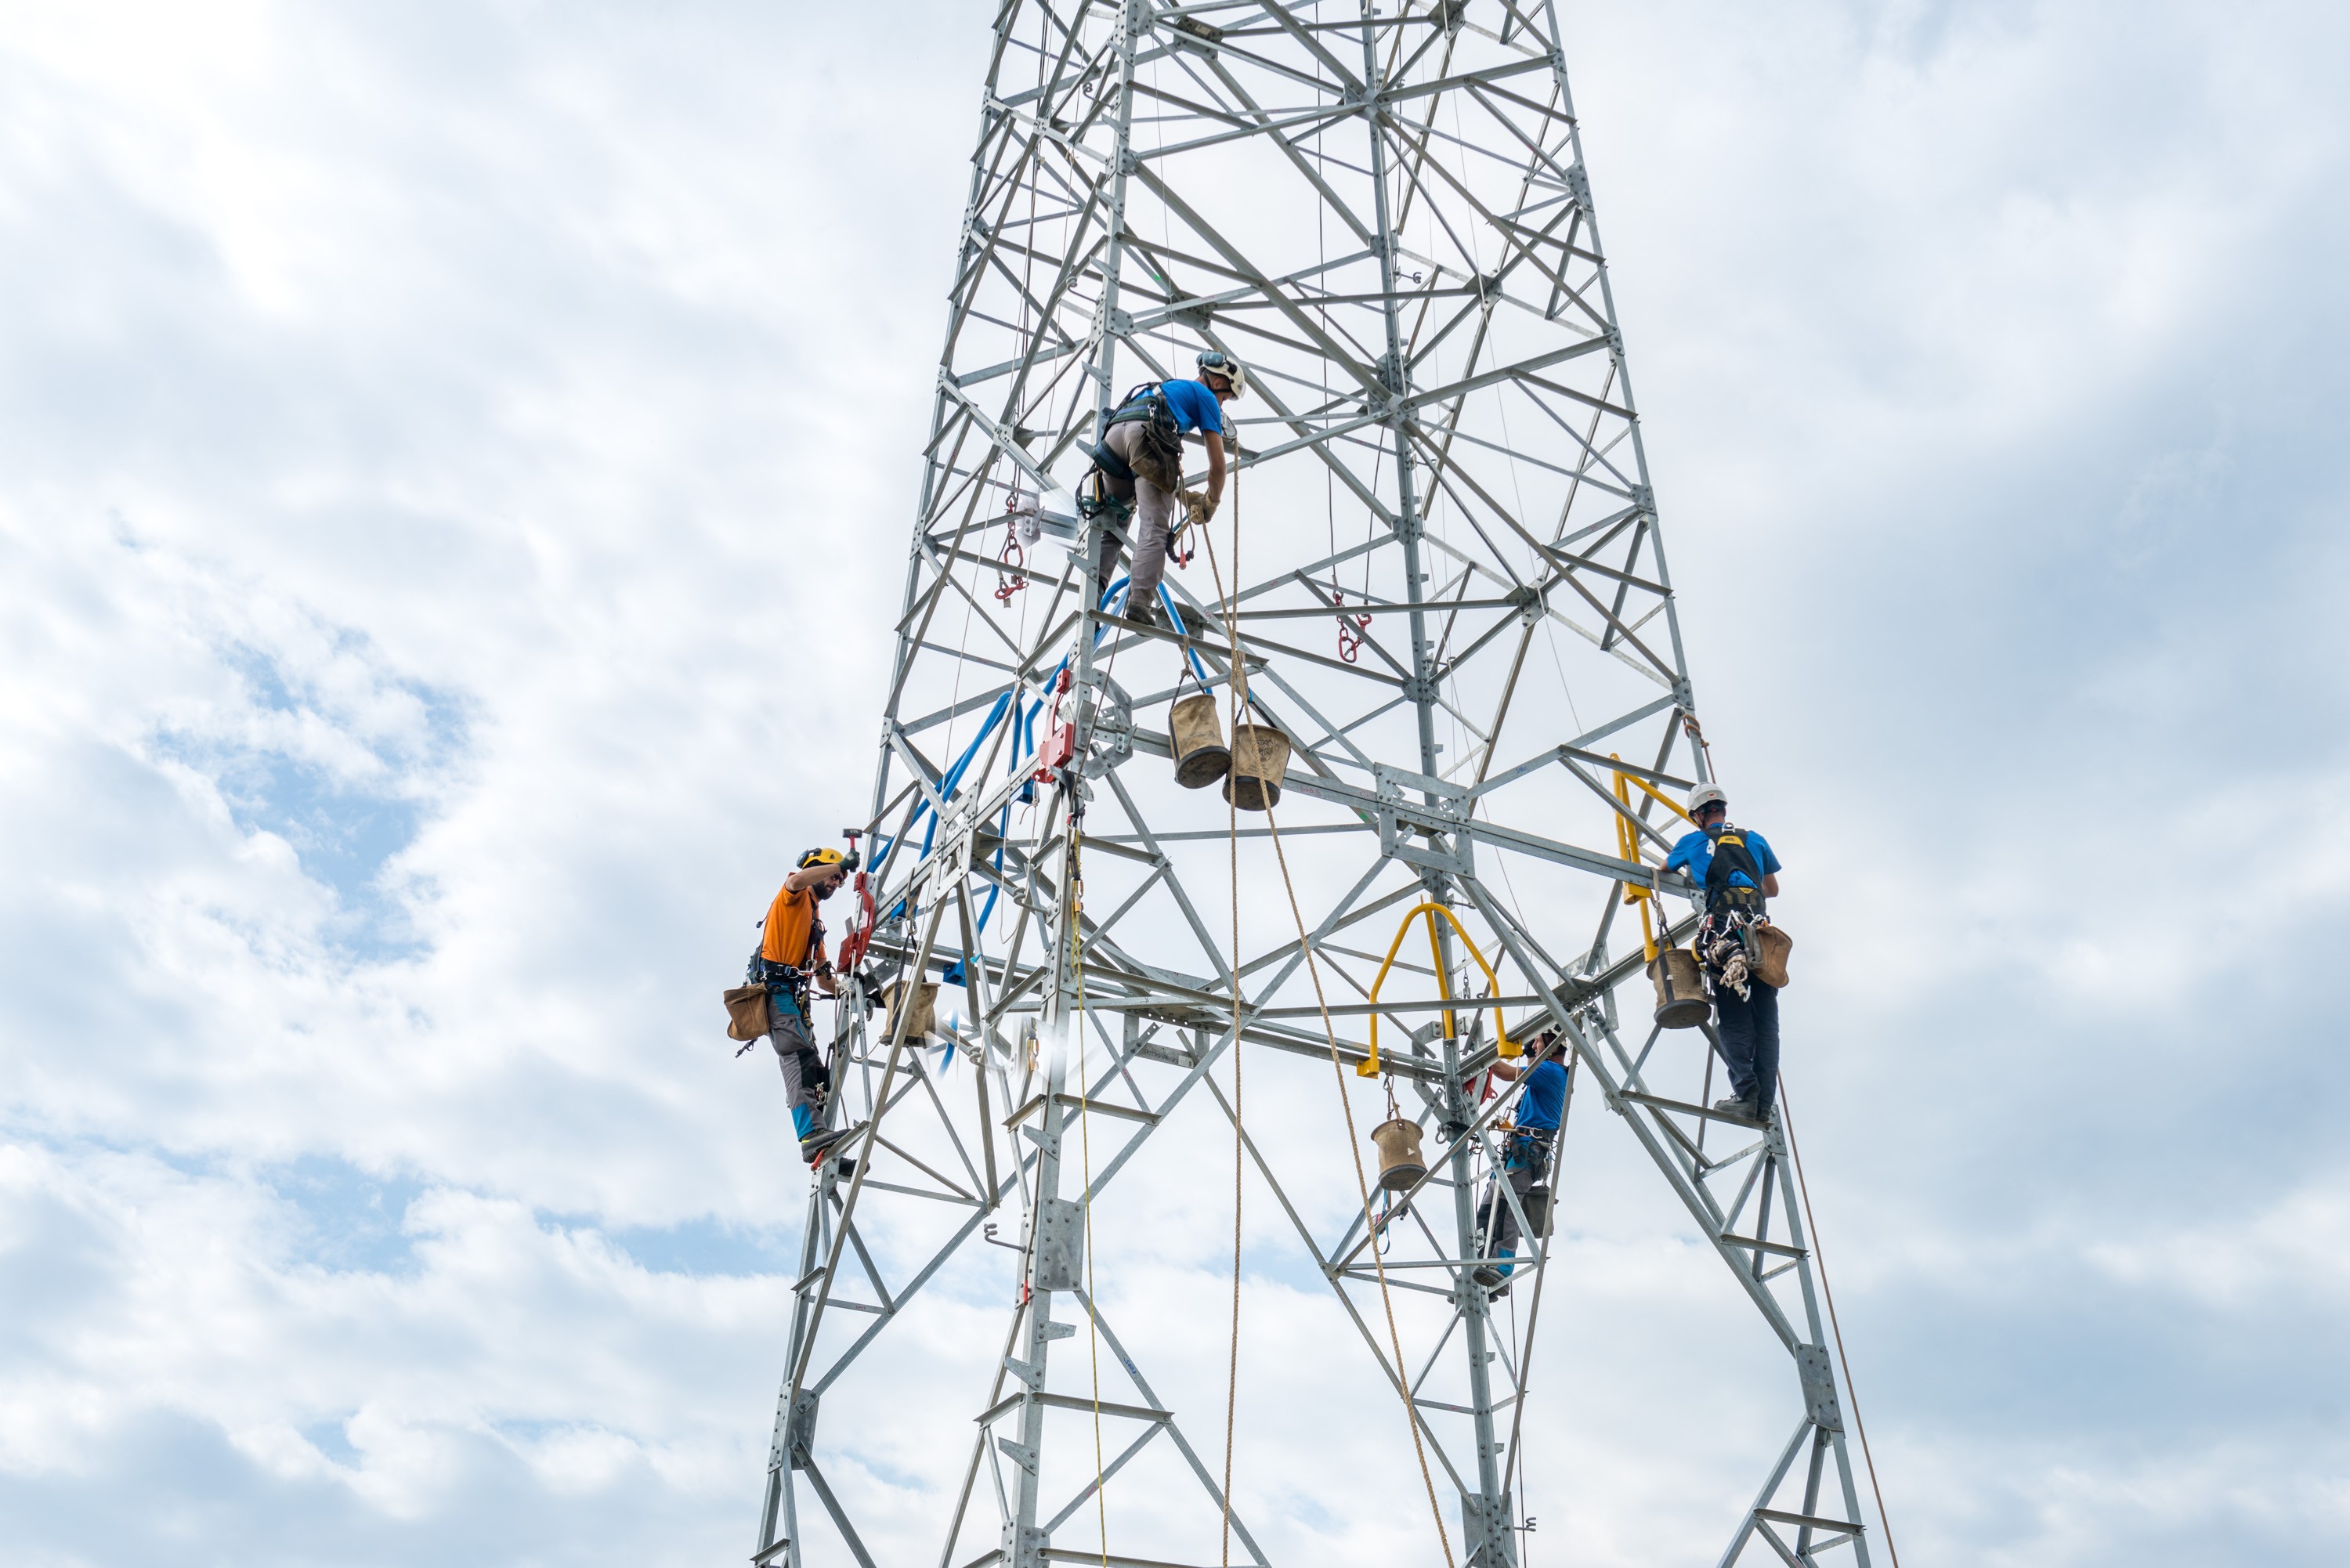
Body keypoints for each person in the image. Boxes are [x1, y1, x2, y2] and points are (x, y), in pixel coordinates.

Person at [1086, 350, 1249, 626]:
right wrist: (1212, 501)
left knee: (1115, 523)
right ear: (1220, 382)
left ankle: (1093, 594)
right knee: (1155, 527)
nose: (1222, 405)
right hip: (1146, 439)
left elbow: (1149, 473)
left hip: (1114, 440)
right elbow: (1218, 467)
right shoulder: (1206, 396)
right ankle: (1139, 601)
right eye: (1226, 398)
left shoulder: (1168, 388)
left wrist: (1187, 498)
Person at [1661, 783, 1784, 1125]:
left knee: (1735, 1020)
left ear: (1697, 816)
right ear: (1723, 810)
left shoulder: (1692, 842)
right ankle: (1763, 1105)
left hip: (1724, 937)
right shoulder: (1754, 839)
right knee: (1766, 1024)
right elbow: (1771, 889)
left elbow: (1663, 869)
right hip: (1760, 935)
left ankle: (1745, 1094)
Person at [752, 847, 856, 1165]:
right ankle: (810, 1136)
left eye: (841, 881)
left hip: (793, 999)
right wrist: (839, 863)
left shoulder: (815, 922)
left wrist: (853, 989)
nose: (837, 883)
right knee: (798, 1057)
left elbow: (826, 981)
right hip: (775, 991)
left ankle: (825, 1150)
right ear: (817, 868)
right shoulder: (793, 894)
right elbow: (797, 881)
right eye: (834, 876)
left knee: (817, 1075)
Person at [1473, 1030, 1570, 1296]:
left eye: (1538, 1041)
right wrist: (1528, 1051)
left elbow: (1505, 1072)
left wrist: (1486, 1050)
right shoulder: (1543, 1072)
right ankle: (1483, 1266)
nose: (1534, 1046)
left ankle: (1503, 1267)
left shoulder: (1549, 1071)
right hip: (1516, 1154)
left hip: (1527, 1154)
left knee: (1506, 1209)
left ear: (1553, 1048)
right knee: (1487, 1211)